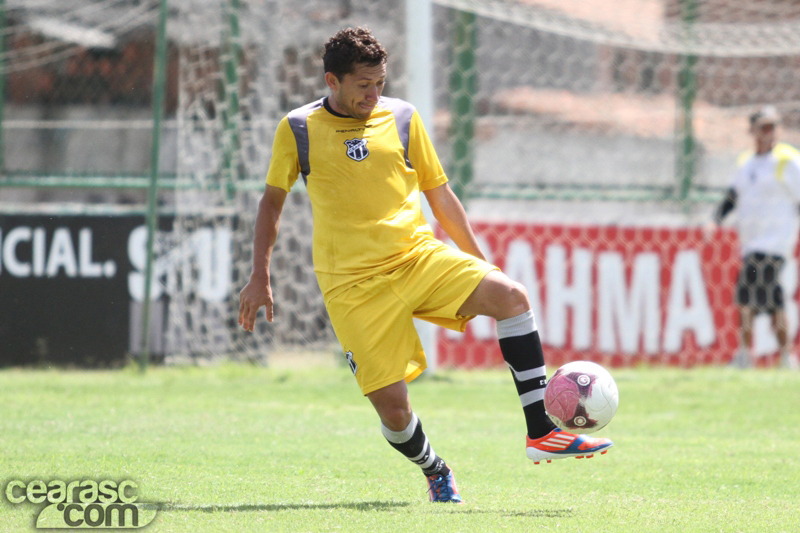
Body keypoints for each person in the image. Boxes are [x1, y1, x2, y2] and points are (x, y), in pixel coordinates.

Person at [238, 27, 612, 503]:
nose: (374, 95)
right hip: (353, 285)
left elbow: (441, 194)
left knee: (512, 296)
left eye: (380, 83)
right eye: (363, 85)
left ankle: (541, 432)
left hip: (417, 257)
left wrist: (479, 261)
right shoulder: (297, 128)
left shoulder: (402, 117)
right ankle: (435, 469)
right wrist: (259, 275)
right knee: (395, 413)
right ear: (332, 80)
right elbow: (271, 204)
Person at [709, 105, 800, 370]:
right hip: (751, 243)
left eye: (774, 127)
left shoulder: (787, 161)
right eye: (764, 127)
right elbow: (733, 195)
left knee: (748, 295)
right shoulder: (747, 163)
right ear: (752, 131)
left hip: (775, 243)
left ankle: (748, 355)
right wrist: (715, 220)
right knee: (769, 300)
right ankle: (783, 357)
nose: (770, 133)